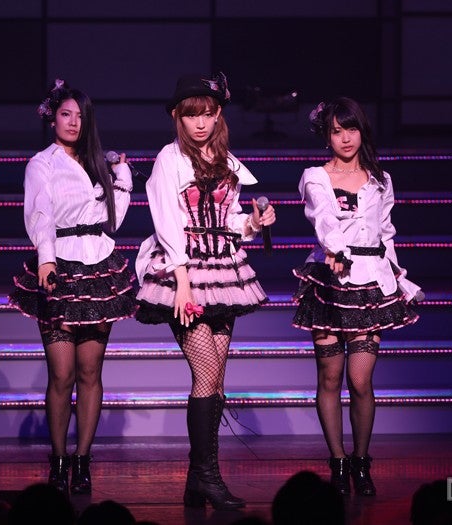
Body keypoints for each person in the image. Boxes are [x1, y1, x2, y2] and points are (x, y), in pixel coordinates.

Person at [134, 72, 276, 510]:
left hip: (223, 272)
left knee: (215, 379)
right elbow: (166, 222)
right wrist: (182, 283)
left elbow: (230, 221)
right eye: (191, 115)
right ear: (178, 117)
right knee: (207, 375)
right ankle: (207, 477)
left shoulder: (226, 160)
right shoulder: (169, 159)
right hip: (184, 272)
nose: (200, 123)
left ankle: (199, 479)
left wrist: (253, 223)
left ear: (218, 116)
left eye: (208, 114)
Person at [9, 78, 137, 495]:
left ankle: (82, 461)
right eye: (66, 114)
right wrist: (46, 258)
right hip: (60, 266)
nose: (73, 122)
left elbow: (112, 221)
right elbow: (40, 213)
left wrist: (122, 177)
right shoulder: (42, 164)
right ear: (53, 118)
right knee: (61, 376)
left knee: (90, 373)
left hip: (99, 266)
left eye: (80, 116)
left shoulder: (99, 162)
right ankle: (58, 459)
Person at [292, 97, 422, 496]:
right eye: (336, 131)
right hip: (330, 283)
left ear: (362, 131)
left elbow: (386, 233)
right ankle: (337, 461)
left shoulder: (380, 179)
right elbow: (323, 217)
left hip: (369, 284)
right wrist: (335, 251)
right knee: (330, 377)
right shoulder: (316, 176)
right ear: (326, 136)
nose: (345, 138)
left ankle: (362, 462)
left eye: (351, 129)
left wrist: (397, 278)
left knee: (361, 380)